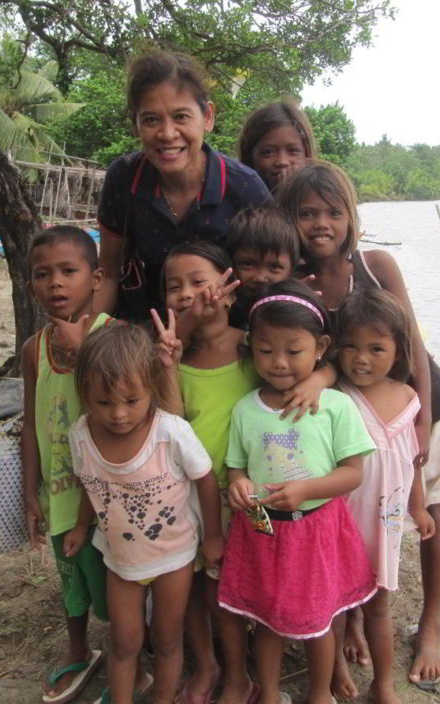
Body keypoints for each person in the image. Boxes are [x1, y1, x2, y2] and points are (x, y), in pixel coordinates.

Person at [275, 162, 440, 692]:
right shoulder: (298, 283)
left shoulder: (375, 265)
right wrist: (321, 376)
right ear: (291, 220)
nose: (321, 223)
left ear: (352, 218)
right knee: (352, 522)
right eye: (307, 213)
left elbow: (413, 346)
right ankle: (356, 622)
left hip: (416, 400)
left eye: (333, 212)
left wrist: (423, 426)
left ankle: (430, 625)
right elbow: (317, 354)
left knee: (432, 509)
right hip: (355, 419)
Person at [154, 242, 334, 704]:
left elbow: (309, 361)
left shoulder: (253, 347)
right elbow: (174, 423)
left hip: (248, 498)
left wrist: (318, 378)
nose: (189, 293)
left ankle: (246, 670)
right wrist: (170, 363)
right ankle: (220, 669)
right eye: (175, 287)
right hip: (192, 495)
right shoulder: (175, 356)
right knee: (203, 583)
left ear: (230, 289)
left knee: (244, 582)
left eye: (200, 282)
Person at [218, 281, 376, 704]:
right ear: (251, 346)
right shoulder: (246, 409)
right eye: (267, 351)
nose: (280, 363)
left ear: (321, 346)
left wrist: (307, 488)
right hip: (263, 533)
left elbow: (352, 473)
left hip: (317, 530)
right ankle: (268, 692)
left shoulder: (336, 406)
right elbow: (236, 465)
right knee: (267, 621)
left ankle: (319, 692)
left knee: (319, 621)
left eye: (294, 350)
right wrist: (239, 485)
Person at [68, 324, 223, 704]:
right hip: (120, 561)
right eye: (104, 403)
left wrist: (214, 536)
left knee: (167, 640)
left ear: (152, 388)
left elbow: (205, 481)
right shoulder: (81, 436)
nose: (119, 414)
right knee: (124, 644)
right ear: (85, 394)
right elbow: (90, 484)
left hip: (174, 558)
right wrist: (80, 525)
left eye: (131, 401)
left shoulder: (170, 433)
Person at [94, 50, 271, 319]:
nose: (167, 134)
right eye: (151, 120)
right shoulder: (124, 178)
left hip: (225, 339)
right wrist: (86, 337)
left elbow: (272, 271)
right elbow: (108, 274)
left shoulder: (245, 188)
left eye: (181, 117)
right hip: (142, 334)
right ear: (136, 125)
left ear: (208, 117)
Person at [19, 225, 112, 704]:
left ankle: (128, 660)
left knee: (117, 584)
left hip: (108, 495)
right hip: (60, 489)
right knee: (70, 574)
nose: (55, 283)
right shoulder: (34, 349)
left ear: (95, 279)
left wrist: (83, 351)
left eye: (68, 271)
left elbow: (125, 411)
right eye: (42, 274)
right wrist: (29, 492)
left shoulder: (112, 337)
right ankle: (79, 646)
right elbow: (32, 424)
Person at [336, 289, 435, 704]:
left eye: (376, 348)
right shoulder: (335, 399)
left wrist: (418, 505)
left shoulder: (408, 398)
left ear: (397, 352)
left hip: (387, 524)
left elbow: (411, 459)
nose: (362, 358)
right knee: (335, 605)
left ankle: (384, 684)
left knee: (380, 606)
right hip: (341, 523)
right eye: (352, 346)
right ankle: (334, 669)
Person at [225, 205, 298, 328]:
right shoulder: (223, 314)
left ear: (292, 270)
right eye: (248, 264)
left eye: (274, 267)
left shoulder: (299, 316)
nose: (260, 277)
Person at [238, 100, 316, 190]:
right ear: (249, 157)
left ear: (307, 154)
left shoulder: (323, 198)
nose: (282, 161)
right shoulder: (232, 200)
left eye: (293, 150)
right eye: (268, 152)